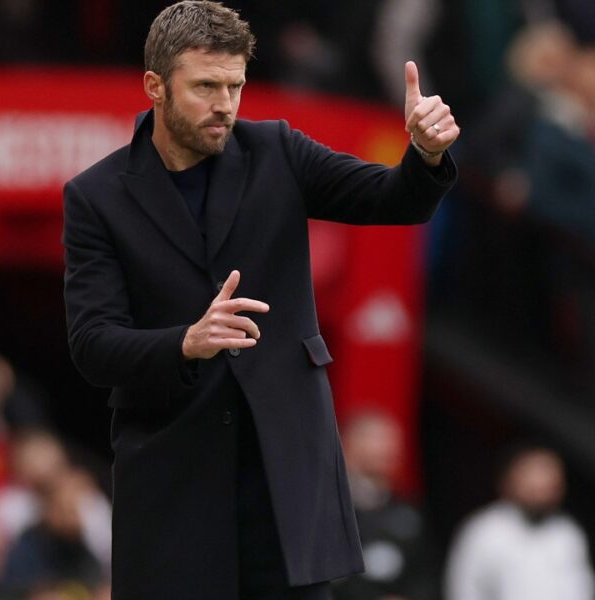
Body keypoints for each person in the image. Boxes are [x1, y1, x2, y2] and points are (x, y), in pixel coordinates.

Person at [61, 2, 458, 598]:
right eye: (205, 87)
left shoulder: (278, 150)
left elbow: (392, 200)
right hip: (174, 489)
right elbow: (93, 345)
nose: (225, 103)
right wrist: (185, 343)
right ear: (155, 87)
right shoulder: (96, 197)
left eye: (235, 85)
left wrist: (424, 155)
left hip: (287, 485)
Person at [444, 445, 594, 600]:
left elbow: (580, 588)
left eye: (548, 476)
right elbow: (464, 589)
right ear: (511, 480)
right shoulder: (484, 531)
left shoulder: (567, 533)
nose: (540, 486)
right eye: (532, 475)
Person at [335, 412, 435, 600]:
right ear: (349, 444)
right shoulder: (330, 507)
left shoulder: (408, 511)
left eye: (395, 441)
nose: (391, 449)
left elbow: (425, 573)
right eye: (379, 440)